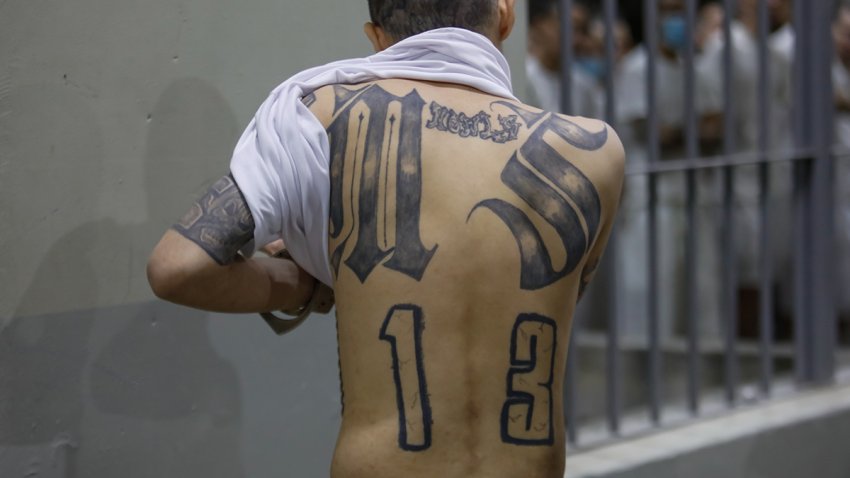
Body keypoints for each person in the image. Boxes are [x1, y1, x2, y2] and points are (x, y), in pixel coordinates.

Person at [146, 1, 625, 476]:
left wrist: (309, 284)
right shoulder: (595, 153)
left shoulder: (320, 113)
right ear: (504, 14)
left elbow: (178, 267)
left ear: (377, 38)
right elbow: (555, 297)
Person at [526, 0, 602, 117]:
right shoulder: (522, 77)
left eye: (581, 31)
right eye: (569, 27)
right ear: (541, 25)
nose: (576, 39)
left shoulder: (584, 85)